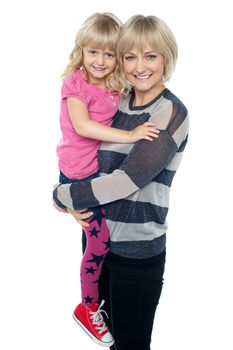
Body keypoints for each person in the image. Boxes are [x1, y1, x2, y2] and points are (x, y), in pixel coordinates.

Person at [53, 14, 189, 350]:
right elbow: (84, 152)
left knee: (131, 346)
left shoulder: (170, 113)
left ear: (166, 58)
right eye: (130, 56)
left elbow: (128, 179)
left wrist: (62, 196)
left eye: (150, 56)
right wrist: (74, 204)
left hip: (135, 253)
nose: (140, 66)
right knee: (109, 342)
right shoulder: (118, 99)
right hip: (99, 240)